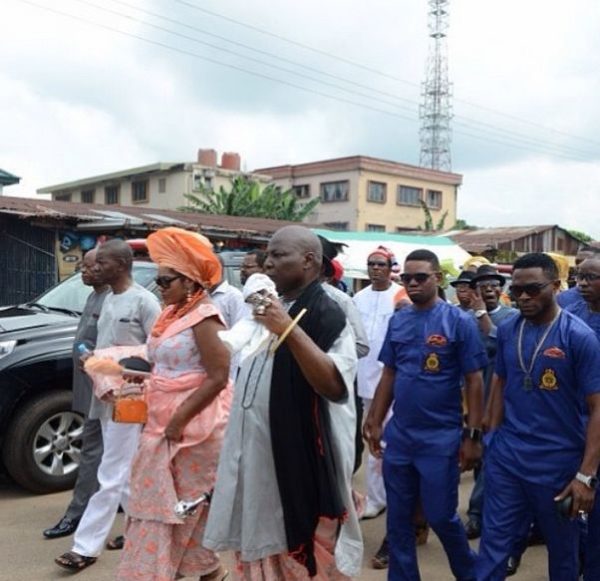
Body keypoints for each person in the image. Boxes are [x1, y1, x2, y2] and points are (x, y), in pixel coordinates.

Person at [204, 225, 362, 580]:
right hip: (254, 454)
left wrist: (287, 328)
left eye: (278, 256)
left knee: (297, 552)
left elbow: (336, 385)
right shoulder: (270, 304)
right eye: (267, 255)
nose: (267, 264)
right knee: (257, 548)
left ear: (308, 261)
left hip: (293, 460)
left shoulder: (328, 310)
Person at [363, 249, 487, 581]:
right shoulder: (399, 319)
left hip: (440, 437)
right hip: (401, 434)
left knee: (441, 515)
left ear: (438, 278)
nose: (413, 283)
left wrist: (473, 436)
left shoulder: (459, 322)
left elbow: (475, 381)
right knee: (398, 518)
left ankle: (470, 573)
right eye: (406, 278)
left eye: (421, 277)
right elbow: (388, 373)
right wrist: (375, 420)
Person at [117, 227, 232, 581]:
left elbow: (218, 374)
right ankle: (204, 573)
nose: (159, 287)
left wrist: (179, 419)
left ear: (190, 281)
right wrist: (144, 378)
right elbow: (164, 363)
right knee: (159, 506)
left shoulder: (205, 317)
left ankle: (174, 572)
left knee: (181, 509)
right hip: (161, 419)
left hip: (196, 426)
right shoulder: (172, 314)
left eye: (166, 281)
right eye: (158, 279)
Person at [477, 253, 600, 581]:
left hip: (558, 465)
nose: (523, 297)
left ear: (556, 287)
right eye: (516, 290)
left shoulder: (579, 336)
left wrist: (586, 476)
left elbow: (597, 407)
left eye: (533, 289)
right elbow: (500, 383)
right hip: (508, 459)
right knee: (492, 546)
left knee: (562, 555)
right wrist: (490, 438)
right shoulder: (507, 330)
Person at [55, 239, 161, 572]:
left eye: (101, 263)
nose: (94, 268)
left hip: (129, 401)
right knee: (125, 472)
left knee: (110, 473)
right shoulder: (106, 298)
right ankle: (144, 531)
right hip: (103, 397)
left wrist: (117, 364)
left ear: (121, 264)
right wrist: (94, 359)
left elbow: (157, 353)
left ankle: (85, 546)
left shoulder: (145, 302)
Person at [43, 249, 109, 540]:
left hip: (106, 393)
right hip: (89, 389)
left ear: (109, 267)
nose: (82, 270)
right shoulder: (94, 296)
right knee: (104, 452)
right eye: (81, 266)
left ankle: (77, 514)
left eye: (89, 266)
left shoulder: (118, 301)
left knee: (92, 452)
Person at [463, 266, 518, 542]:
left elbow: (500, 344)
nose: (488, 289)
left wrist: (482, 314)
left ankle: (477, 515)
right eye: (482, 284)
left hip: (502, 402)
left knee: (492, 459)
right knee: (477, 459)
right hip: (472, 401)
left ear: (502, 289)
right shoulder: (464, 319)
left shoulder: (512, 317)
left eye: (494, 284)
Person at [353, 246, 401, 521]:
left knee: (395, 442)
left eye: (381, 264)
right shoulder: (358, 297)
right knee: (374, 439)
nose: (375, 269)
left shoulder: (400, 296)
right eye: (371, 264)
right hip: (367, 382)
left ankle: (397, 496)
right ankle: (375, 499)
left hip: (394, 382)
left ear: (390, 266)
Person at [564, 255, 600, 580]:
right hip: (576, 423)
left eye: (591, 277)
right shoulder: (571, 315)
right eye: (579, 277)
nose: (583, 283)